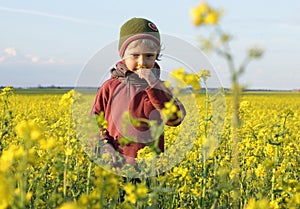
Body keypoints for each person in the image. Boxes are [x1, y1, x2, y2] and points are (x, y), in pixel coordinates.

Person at [91, 17, 186, 166]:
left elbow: (175, 119)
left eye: (149, 56)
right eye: (135, 55)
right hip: (115, 165)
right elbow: (94, 122)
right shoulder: (109, 87)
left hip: (150, 166)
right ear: (123, 55)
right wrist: (104, 145)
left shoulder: (161, 88)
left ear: (156, 56)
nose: (142, 62)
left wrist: (153, 85)